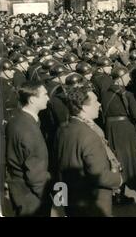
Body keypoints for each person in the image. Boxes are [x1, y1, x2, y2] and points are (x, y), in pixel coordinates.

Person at [55, 86, 123, 216]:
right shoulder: (90, 135)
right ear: (84, 107)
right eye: (96, 101)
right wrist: (118, 179)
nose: (99, 104)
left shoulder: (63, 129)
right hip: (92, 202)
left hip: (72, 197)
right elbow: (99, 175)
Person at [6, 81, 51, 216]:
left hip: (19, 190)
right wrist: (48, 196)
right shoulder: (29, 129)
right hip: (32, 196)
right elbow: (35, 173)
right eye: (44, 94)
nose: (48, 98)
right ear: (32, 100)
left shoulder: (17, 119)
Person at [102, 66, 136, 204]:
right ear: (119, 78)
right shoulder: (127, 94)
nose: (129, 78)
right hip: (124, 130)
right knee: (125, 160)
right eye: (126, 76)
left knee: (114, 158)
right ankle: (120, 194)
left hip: (110, 128)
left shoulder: (105, 93)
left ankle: (116, 193)